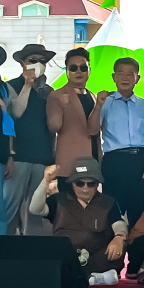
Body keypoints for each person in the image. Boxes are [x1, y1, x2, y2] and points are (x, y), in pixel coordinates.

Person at [30, 157, 126, 285]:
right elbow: (35, 209)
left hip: (97, 255)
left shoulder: (108, 202)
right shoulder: (58, 200)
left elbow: (119, 223)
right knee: (54, 256)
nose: (85, 188)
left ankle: (89, 277)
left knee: (120, 247)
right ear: (72, 183)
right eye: (80, 183)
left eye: (91, 184)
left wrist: (119, 237)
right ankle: (91, 278)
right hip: (67, 255)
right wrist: (45, 182)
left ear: (97, 184)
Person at [89, 58, 144, 227]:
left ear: (137, 78)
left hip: (139, 162)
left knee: (138, 211)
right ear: (114, 77)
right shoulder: (104, 103)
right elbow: (92, 130)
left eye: (130, 74)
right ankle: (114, 243)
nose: (125, 78)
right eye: (121, 74)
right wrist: (98, 105)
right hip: (114, 161)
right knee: (112, 209)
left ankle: (136, 244)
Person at [5, 43, 54, 235]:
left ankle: (33, 250)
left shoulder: (48, 91)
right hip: (18, 157)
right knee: (9, 209)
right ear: (22, 63)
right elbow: (14, 114)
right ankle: (4, 247)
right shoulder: (10, 86)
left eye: (42, 61)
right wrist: (27, 85)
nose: (38, 64)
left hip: (42, 158)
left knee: (35, 212)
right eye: (33, 60)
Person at [47, 48, 99, 190]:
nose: (78, 72)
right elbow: (54, 127)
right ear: (67, 71)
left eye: (83, 68)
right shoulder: (57, 95)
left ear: (89, 70)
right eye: (73, 68)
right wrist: (60, 107)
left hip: (92, 160)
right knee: (67, 202)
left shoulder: (93, 96)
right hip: (69, 163)